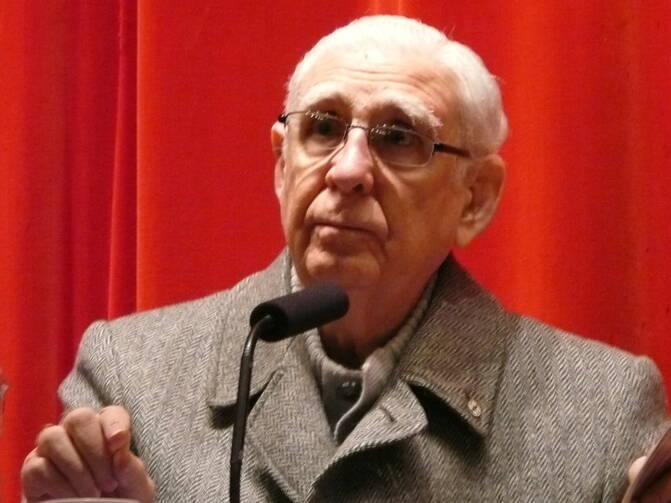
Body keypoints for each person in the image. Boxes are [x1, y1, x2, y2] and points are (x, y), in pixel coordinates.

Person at [20, 15, 671, 502]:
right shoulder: (131, 380)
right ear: (282, 164)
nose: (349, 169)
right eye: (323, 128)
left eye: (398, 136)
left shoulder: (602, 411)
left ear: (474, 199)